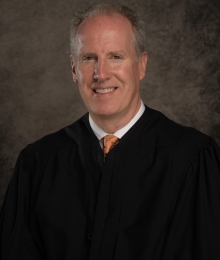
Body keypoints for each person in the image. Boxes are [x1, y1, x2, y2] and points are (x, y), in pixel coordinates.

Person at [1, 3, 220, 260]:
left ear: (141, 65)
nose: (100, 74)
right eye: (89, 58)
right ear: (74, 69)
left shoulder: (192, 158)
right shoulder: (37, 163)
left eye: (116, 56)